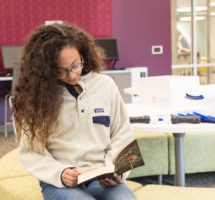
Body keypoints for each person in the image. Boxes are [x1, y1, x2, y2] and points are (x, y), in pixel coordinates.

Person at [12, 23, 136, 200]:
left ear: (83, 54)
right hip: (59, 181)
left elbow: (123, 136)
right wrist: (60, 173)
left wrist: (117, 171)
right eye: (61, 71)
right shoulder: (37, 98)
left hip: (101, 177)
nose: (71, 75)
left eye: (75, 65)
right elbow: (31, 152)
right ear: (46, 69)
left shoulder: (105, 85)